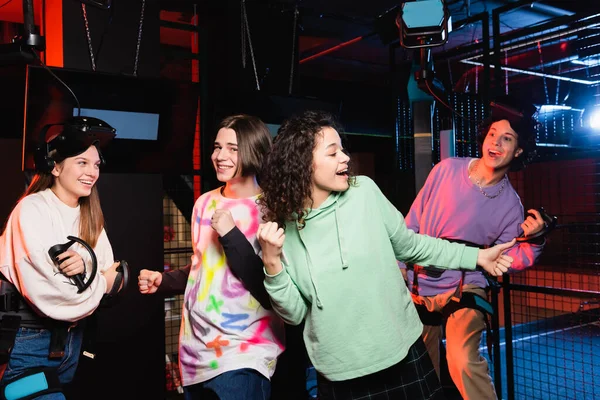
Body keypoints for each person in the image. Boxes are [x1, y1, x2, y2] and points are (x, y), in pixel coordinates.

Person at [256, 109, 516, 400]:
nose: (345, 158)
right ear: (303, 164)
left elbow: (413, 246)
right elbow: (294, 314)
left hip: (401, 355)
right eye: (332, 153)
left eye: (343, 149)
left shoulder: (364, 192)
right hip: (340, 372)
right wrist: (272, 262)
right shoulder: (282, 229)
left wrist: (476, 257)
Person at [399, 97, 545, 400]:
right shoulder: (446, 170)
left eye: (507, 139)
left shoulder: (510, 206)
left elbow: (512, 256)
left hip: (466, 287)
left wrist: (536, 239)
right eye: (493, 134)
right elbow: (411, 223)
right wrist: (400, 269)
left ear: (517, 152)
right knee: (421, 369)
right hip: (420, 283)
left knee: (462, 359)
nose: (496, 143)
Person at [138, 114, 286, 400]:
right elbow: (204, 268)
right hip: (196, 352)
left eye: (233, 148)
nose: (220, 156)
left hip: (244, 353)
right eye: (218, 147)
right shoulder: (204, 202)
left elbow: (269, 286)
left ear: (254, 151)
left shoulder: (272, 209)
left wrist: (231, 234)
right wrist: (164, 280)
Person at [0, 117, 124, 398]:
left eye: (95, 165)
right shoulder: (32, 210)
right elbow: (58, 298)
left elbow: (113, 274)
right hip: (30, 349)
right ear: (55, 166)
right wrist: (101, 282)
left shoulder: (89, 216)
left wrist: (90, 270)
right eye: (82, 162)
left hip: (71, 347)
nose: (92, 172)